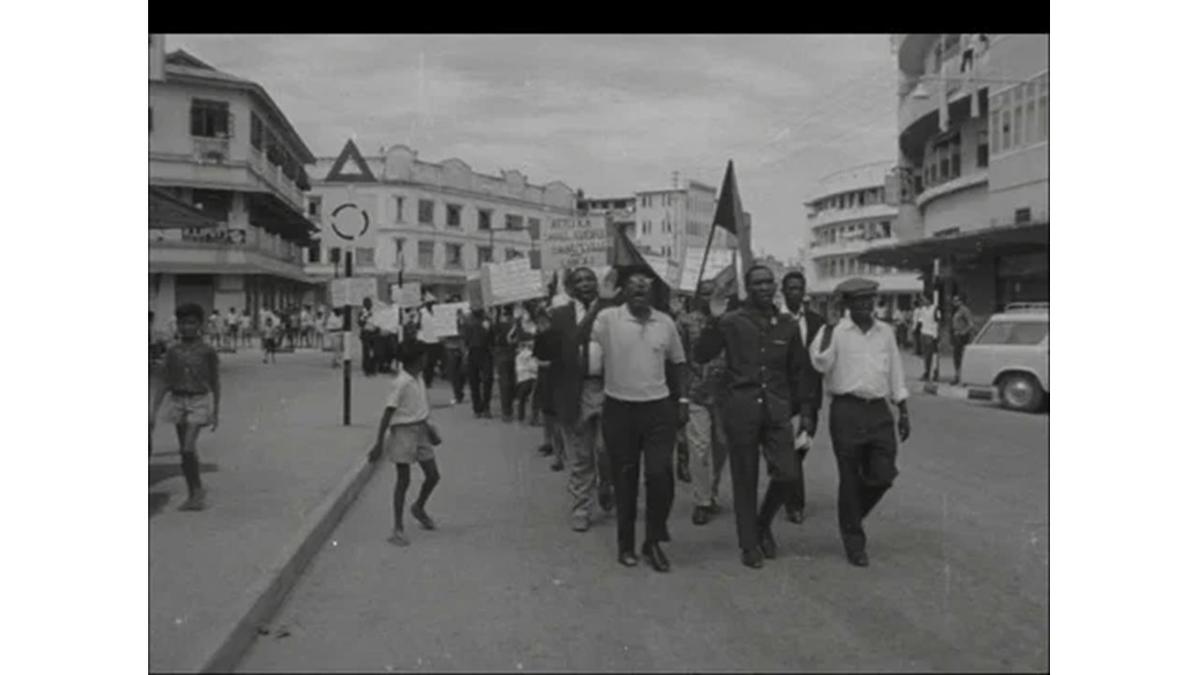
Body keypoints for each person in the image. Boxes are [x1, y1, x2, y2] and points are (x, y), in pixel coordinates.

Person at [695, 265, 816, 569]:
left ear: (775, 287)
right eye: (757, 283)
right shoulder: (732, 321)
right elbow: (701, 354)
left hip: (776, 410)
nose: (764, 288)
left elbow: (799, 371)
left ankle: (762, 524)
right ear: (747, 289)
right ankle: (749, 543)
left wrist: (806, 412)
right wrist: (714, 319)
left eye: (768, 282)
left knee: (788, 473)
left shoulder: (787, 325)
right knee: (745, 479)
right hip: (742, 409)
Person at [583, 269, 689, 571]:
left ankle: (652, 541)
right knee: (625, 479)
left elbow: (679, 363)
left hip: (658, 410)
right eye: (633, 285)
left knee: (660, 476)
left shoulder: (665, 322)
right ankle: (626, 544)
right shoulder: (609, 319)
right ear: (623, 292)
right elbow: (579, 338)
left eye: (645, 285)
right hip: (620, 410)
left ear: (653, 292)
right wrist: (599, 303)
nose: (640, 289)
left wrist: (682, 399)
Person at [810, 278, 912, 568]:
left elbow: (895, 371)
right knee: (850, 477)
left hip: (878, 410)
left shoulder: (885, 332)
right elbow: (820, 362)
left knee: (884, 474)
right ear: (848, 305)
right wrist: (829, 327)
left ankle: (850, 517)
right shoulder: (835, 331)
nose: (866, 305)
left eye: (870, 299)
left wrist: (903, 410)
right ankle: (854, 542)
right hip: (847, 410)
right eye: (859, 301)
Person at [540, 267, 616, 531]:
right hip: (575, 390)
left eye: (590, 279)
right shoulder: (560, 315)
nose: (585, 284)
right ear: (571, 289)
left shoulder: (614, 311)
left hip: (608, 387)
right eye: (579, 280)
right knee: (581, 453)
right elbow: (567, 345)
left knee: (606, 449)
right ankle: (581, 506)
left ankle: (606, 482)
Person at [367, 345, 443, 546]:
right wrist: (378, 443)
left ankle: (418, 507)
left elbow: (420, 406)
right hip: (403, 432)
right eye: (424, 357)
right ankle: (398, 528)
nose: (427, 360)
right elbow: (387, 413)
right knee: (403, 480)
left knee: (433, 475)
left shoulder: (419, 378)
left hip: (421, 429)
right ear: (416, 360)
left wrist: (430, 429)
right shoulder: (400, 383)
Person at [150, 303, 221, 511]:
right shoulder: (173, 351)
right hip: (178, 401)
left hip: (198, 401)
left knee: (188, 446)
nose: (186, 327)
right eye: (182, 323)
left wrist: (216, 410)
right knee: (185, 451)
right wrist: (153, 410)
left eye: (191, 323)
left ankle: (197, 491)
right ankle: (194, 491)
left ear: (199, 325)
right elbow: (164, 380)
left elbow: (215, 381)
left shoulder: (207, 351)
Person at [675, 279, 729, 527]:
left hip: (725, 394)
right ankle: (702, 500)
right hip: (696, 391)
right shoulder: (685, 322)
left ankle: (713, 492)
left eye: (713, 294)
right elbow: (678, 359)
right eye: (704, 294)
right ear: (697, 296)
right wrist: (681, 396)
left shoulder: (731, 321)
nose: (709, 298)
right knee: (699, 447)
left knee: (722, 446)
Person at [780, 272, 827, 526]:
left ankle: (785, 489)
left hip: (810, 397)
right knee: (788, 451)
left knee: (801, 448)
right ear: (783, 291)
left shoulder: (817, 322)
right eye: (790, 288)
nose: (795, 293)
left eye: (799, 288)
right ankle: (795, 504)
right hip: (782, 397)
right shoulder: (774, 320)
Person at [462, 307, 495, 418]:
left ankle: (486, 407)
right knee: (474, 382)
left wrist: (489, 327)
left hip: (485, 351)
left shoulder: (487, 319)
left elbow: (492, 337)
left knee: (488, 380)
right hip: (472, 351)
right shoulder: (467, 320)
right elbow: (464, 338)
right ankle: (477, 408)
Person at [494, 306, 518, 422]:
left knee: (506, 383)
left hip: (504, 354)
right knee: (510, 382)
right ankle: (508, 410)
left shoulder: (500, 324)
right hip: (512, 353)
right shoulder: (516, 324)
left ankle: (507, 411)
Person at [443, 305, 468, 405]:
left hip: (461, 348)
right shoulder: (446, 321)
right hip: (451, 348)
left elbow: (465, 334)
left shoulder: (464, 321)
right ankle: (457, 394)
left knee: (462, 373)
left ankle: (459, 392)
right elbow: (442, 336)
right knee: (454, 373)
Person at [417, 301, 444, 388]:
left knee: (432, 362)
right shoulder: (422, 314)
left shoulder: (439, 314)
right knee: (427, 363)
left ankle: (430, 379)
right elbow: (418, 326)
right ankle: (426, 381)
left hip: (437, 341)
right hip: (426, 341)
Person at [950, 294, 975, 385]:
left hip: (962, 337)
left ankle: (963, 377)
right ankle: (957, 376)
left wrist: (963, 332)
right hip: (956, 336)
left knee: (961, 358)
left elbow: (971, 324)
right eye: (954, 301)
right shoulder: (956, 311)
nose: (954, 303)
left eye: (956, 301)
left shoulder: (965, 310)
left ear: (961, 301)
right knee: (956, 358)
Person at [914, 295, 940, 381]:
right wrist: (917, 330)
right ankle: (926, 372)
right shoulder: (923, 309)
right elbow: (920, 321)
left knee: (931, 355)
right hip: (923, 333)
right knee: (925, 355)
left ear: (929, 300)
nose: (923, 302)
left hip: (931, 334)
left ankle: (932, 373)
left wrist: (935, 336)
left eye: (924, 299)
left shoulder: (935, 309)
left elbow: (937, 323)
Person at [514, 339, 537, 423]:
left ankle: (521, 417)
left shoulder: (518, 357)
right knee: (533, 399)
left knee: (521, 399)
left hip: (522, 380)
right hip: (533, 379)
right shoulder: (532, 355)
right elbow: (535, 368)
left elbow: (518, 369)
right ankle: (534, 418)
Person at [358, 298, 380, 376]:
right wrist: (366, 315)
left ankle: (374, 369)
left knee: (376, 352)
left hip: (374, 333)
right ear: (364, 305)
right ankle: (366, 369)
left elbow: (379, 322)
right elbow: (360, 323)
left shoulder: (375, 312)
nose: (369, 305)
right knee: (366, 352)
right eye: (367, 304)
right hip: (366, 334)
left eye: (370, 303)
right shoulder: (362, 312)